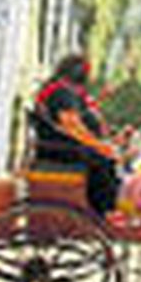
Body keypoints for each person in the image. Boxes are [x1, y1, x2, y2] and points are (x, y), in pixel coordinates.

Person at [34, 54, 121, 218]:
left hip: (56, 146)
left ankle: (105, 208)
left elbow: (83, 116)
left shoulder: (60, 90)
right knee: (103, 162)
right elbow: (73, 127)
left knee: (105, 159)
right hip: (60, 149)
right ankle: (103, 211)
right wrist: (100, 146)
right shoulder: (61, 92)